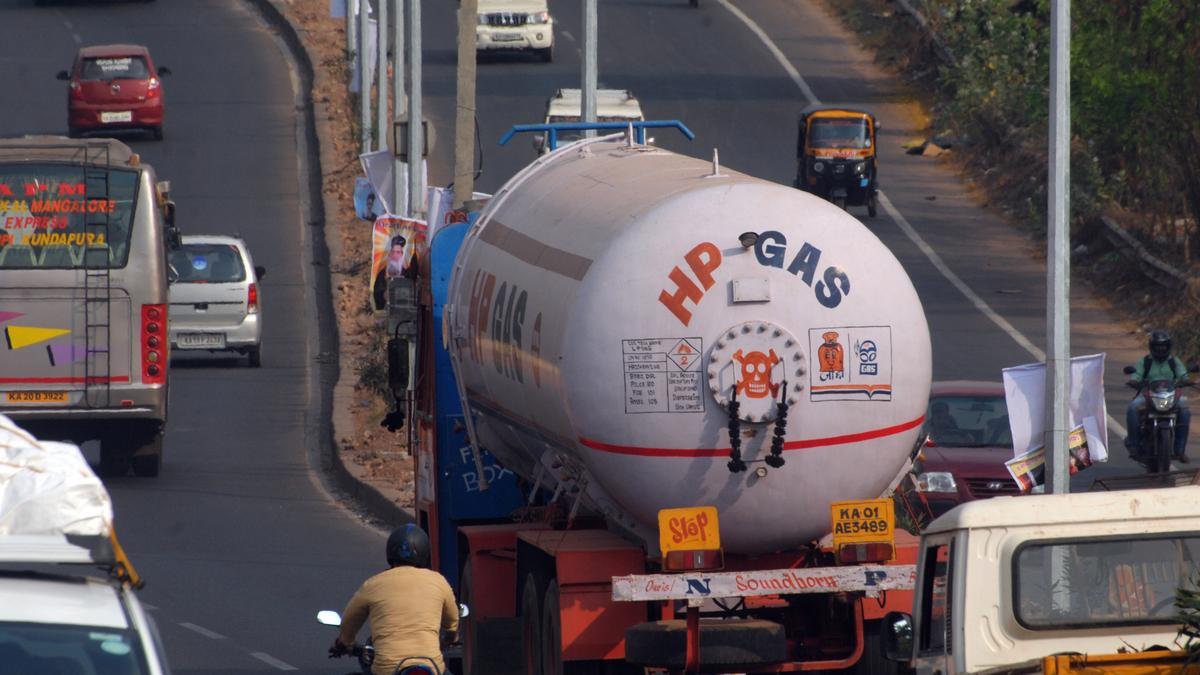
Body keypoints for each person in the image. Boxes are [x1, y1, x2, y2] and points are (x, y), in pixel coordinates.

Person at [330, 525, 460, 675]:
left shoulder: (373, 584)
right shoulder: (439, 582)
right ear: (425, 554)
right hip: (432, 666)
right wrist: (451, 637)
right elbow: (452, 623)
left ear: (390, 553)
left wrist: (344, 643)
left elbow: (349, 621)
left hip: (387, 669)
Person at [1125, 329, 1191, 463]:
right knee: (1132, 408)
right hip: (1148, 395)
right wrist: (1134, 381)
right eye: (1157, 346)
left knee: (1185, 410)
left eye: (1163, 346)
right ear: (1152, 347)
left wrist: (1187, 380)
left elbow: (1183, 375)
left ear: (1168, 346)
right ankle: (1134, 445)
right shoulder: (1145, 361)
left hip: (1171, 396)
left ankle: (1179, 450)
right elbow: (1136, 375)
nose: (1161, 349)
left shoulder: (1174, 361)